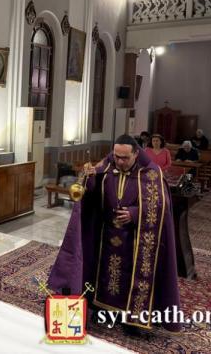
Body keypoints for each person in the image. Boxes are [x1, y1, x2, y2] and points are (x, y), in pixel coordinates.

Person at [48, 134, 181, 333]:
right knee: (105, 275)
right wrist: (88, 178)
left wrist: (134, 214)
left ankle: (132, 318)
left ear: (136, 154)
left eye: (124, 158)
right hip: (106, 237)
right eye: (116, 156)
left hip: (135, 241)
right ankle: (102, 309)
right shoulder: (107, 166)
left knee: (129, 279)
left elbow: (161, 206)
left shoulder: (151, 173)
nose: (119, 161)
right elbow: (92, 194)